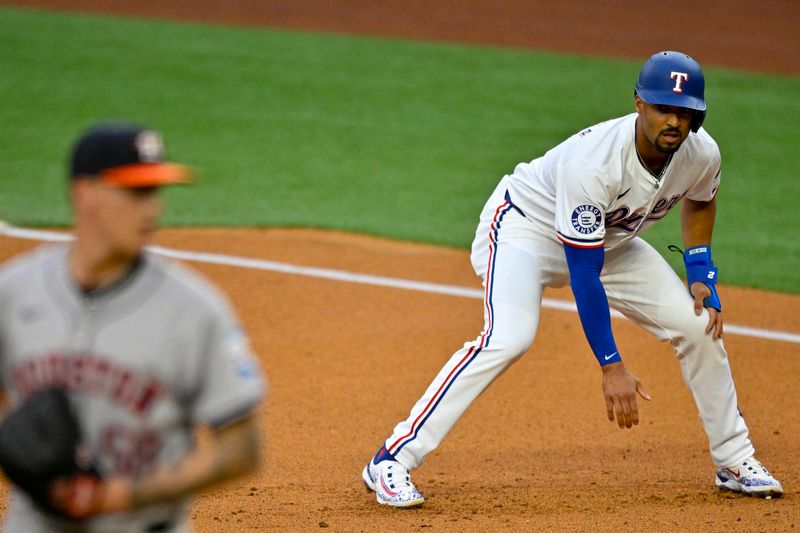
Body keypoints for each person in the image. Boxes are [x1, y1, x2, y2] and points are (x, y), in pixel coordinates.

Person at [362, 51, 783, 507]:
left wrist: (701, 272)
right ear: (639, 103)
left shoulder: (701, 153)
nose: (674, 122)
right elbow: (584, 274)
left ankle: (734, 459)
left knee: (698, 326)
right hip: (525, 230)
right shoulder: (594, 163)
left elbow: (701, 199)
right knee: (509, 337)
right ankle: (392, 459)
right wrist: (611, 365)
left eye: (686, 113)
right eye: (664, 108)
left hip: (610, 241)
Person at [0, 122, 267, 531]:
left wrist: (126, 494)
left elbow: (242, 448)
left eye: (156, 192)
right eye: (136, 192)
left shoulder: (194, 309)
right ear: (84, 193)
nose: (152, 209)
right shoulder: (15, 292)